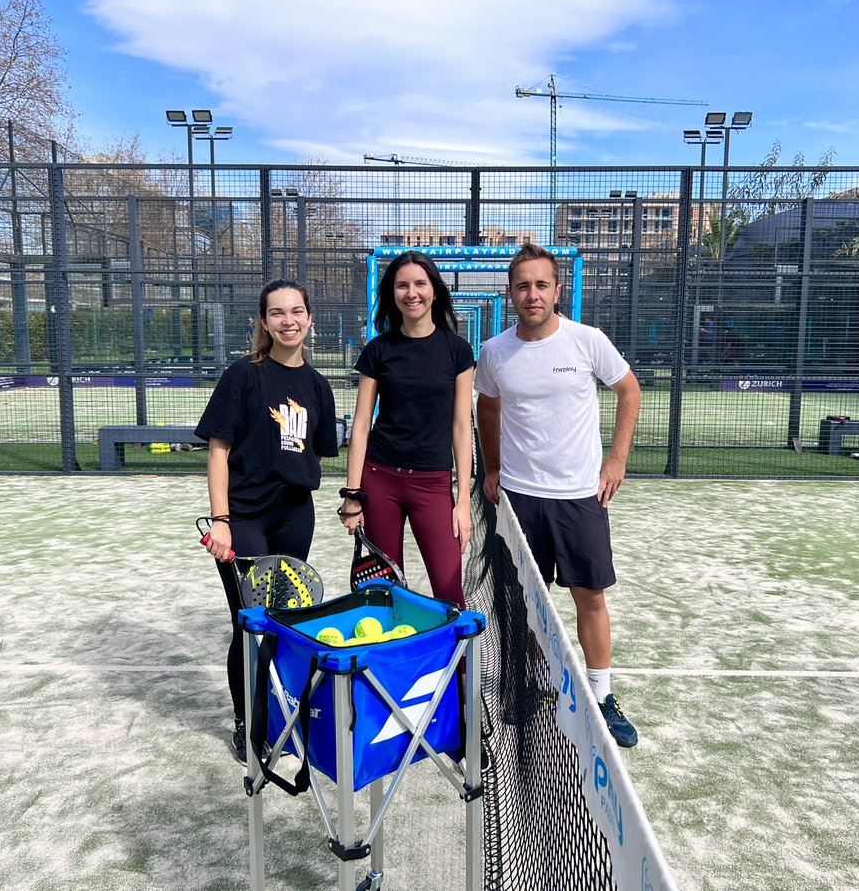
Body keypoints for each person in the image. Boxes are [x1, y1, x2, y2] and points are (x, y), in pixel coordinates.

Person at [474, 243, 642, 748]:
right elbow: (488, 406)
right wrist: (494, 466)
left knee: (589, 597)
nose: (532, 294)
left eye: (541, 284)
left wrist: (616, 460)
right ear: (510, 293)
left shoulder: (587, 341)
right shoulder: (495, 351)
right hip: (520, 499)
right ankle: (525, 687)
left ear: (556, 289)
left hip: (578, 498)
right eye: (523, 286)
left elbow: (629, 392)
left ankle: (601, 696)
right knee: (523, 605)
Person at [195, 279, 339, 761]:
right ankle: (248, 723)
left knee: (286, 621)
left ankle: (281, 714)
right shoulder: (243, 376)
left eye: (297, 311)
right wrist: (220, 519)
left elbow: (319, 450)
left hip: (296, 515)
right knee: (251, 623)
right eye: (277, 313)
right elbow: (219, 450)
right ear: (263, 322)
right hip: (245, 519)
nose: (288, 320)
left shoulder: (319, 386)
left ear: (310, 318)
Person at [339, 250, 474, 608]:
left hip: (434, 484)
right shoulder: (378, 350)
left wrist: (462, 502)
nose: (411, 293)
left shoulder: (458, 351)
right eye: (402, 285)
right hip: (380, 480)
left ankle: (456, 667)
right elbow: (362, 427)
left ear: (434, 290)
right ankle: (387, 665)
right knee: (384, 594)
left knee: (449, 592)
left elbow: (462, 428)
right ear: (392, 294)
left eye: (419, 283)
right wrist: (353, 495)